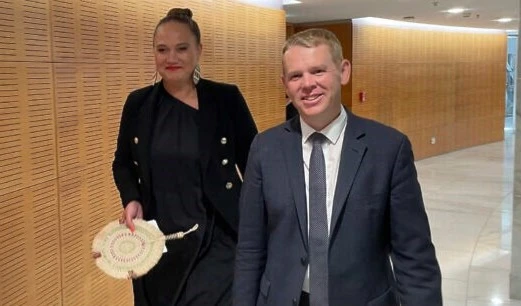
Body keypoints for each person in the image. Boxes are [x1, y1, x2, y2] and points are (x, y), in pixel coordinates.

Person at [234, 28, 441, 306]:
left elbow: (414, 256)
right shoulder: (265, 148)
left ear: (343, 71)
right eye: (296, 76)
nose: (307, 84)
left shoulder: (388, 148)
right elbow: (250, 248)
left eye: (318, 71)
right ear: (284, 84)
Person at [111, 8, 257, 306]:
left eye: (181, 48)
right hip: (159, 241)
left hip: (218, 236)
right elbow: (122, 162)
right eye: (162, 50)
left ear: (198, 51)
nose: (171, 58)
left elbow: (255, 164)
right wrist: (131, 198)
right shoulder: (138, 104)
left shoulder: (225, 99)